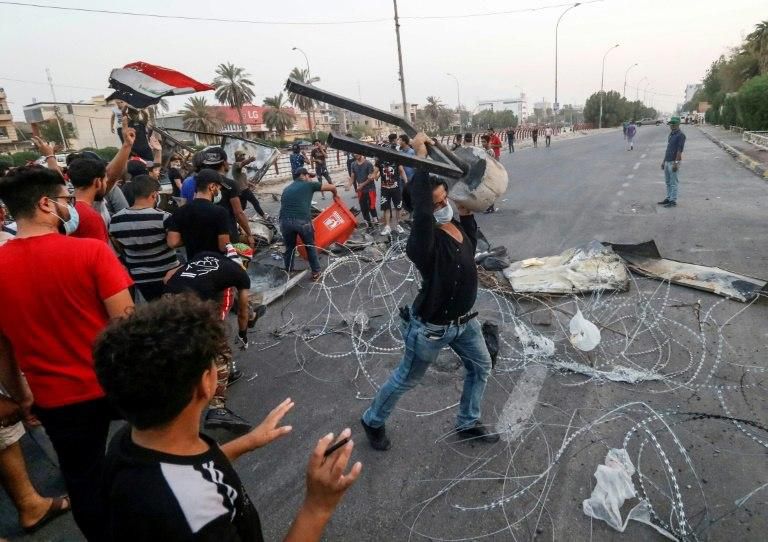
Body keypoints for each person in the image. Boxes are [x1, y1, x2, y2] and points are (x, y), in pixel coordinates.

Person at [95, 295, 362, 542]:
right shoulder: (199, 515)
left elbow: (191, 469)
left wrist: (250, 441)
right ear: (205, 383)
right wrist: (318, 506)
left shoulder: (130, 440)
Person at [0, 167, 134, 540]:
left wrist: (21, 395)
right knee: (154, 453)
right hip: (115, 383)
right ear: (46, 203)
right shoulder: (90, 252)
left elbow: (3, 349)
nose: (69, 208)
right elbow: (128, 325)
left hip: (57, 400)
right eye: (65, 201)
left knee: (83, 481)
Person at [360, 134, 498, 451]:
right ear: (420, 210)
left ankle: (468, 421)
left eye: (443, 200)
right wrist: (419, 156)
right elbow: (422, 212)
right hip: (432, 329)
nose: (441, 206)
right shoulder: (422, 243)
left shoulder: (458, 225)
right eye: (434, 203)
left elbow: (467, 201)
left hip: (465, 323)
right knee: (406, 379)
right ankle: (372, 420)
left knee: (481, 367)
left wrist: (448, 165)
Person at [163, 252, 262, 431]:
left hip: (167, 299)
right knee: (220, 352)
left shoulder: (206, 255)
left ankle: (209, 378)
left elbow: (169, 275)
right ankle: (218, 409)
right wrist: (243, 333)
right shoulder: (240, 274)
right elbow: (242, 312)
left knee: (178, 345)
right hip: (193, 305)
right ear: (244, 262)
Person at [109, 175, 180, 302]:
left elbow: (119, 246)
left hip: (138, 279)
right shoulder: (164, 217)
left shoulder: (115, 220)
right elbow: (174, 242)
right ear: (154, 195)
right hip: (167, 276)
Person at [67, 125, 136, 241]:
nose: (107, 182)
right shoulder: (91, 214)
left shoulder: (64, 205)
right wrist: (127, 145)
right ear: (98, 182)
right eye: (105, 179)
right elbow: (112, 175)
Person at [279, 167, 337, 281]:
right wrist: (335, 195)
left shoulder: (286, 189)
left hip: (284, 222)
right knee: (310, 246)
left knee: (290, 247)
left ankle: (289, 272)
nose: (310, 178)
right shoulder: (309, 185)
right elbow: (332, 187)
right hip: (301, 222)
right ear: (303, 176)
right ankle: (316, 272)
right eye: (309, 176)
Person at [195, 146, 257, 248]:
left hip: (207, 234)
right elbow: (238, 213)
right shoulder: (231, 184)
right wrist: (249, 234)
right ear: (224, 163)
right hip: (228, 235)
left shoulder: (201, 182)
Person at [166, 169, 232, 259]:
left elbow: (172, 242)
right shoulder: (220, 212)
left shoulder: (180, 211)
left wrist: (191, 239)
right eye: (219, 189)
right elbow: (223, 246)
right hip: (215, 265)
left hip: (192, 265)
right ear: (212, 186)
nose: (219, 193)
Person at [375, 147, 406, 237]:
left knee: (398, 207)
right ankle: (387, 226)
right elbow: (375, 173)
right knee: (386, 207)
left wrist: (407, 182)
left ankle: (398, 225)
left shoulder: (396, 159)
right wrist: (373, 175)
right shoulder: (379, 161)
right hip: (385, 188)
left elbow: (401, 170)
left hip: (396, 188)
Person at [234, 150, 270, 220]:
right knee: (255, 202)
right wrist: (250, 160)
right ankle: (264, 215)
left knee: (243, 206)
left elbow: (243, 179)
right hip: (243, 190)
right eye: (242, 155)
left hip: (241, 190)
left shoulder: (241, 167)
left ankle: (237, 218)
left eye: (244, 155)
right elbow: (242, 163)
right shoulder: (236, 165)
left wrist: (251, 184)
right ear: (237, 157)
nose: (243, 157)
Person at [659, 116, 686, 208]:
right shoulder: (671, 134)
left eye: (674, 124)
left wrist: (676, 163)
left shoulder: (681, 135)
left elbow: (679, 150)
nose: (672, 125)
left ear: (678, 124)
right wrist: (663, 161)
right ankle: (668, 197)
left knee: (673, 182)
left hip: (674, 162)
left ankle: (672, 201)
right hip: (667, 161)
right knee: (668, 182)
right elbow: (668, 149)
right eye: (671, 124)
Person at [349, 154, 378, 228]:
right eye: (353, 153)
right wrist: (349, 185)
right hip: (361, 190)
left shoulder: (368, 163)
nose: (355, 154)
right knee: (363, 208)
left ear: (361, 153)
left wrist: (362, 185)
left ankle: (376, 222)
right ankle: (368, 225)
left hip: (370, 189)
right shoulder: (353, 164)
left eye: (357, 152)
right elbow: (352, 177)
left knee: (371, 207)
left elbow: (371, 178)